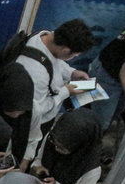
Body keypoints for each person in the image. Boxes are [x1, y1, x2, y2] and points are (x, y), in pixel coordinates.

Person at [14, 20, 95, 161]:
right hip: (33, 125)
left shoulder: (43, 36)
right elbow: (36, 110)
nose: (73, 58)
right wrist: (66, 91)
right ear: (65, 50)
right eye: (74, 56)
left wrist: (71, 73)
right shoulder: (36, 73)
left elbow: (53, 61)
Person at [26, 108, 103, 184]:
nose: (56, 149)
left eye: (62, 148)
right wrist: (36, 167)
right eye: (55, 144)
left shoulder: (91, 168)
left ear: (79, 145)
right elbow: (39, 157)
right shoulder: (53, 137)